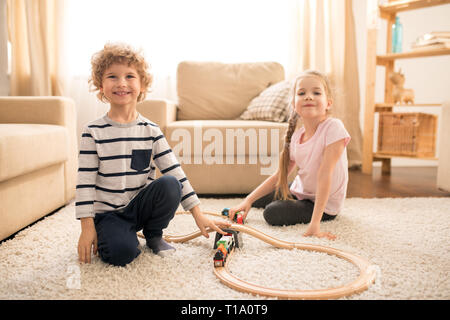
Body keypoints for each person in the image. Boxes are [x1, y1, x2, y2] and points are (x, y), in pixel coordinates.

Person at [76, 43, 229, 266]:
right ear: (101, 85)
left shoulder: (151, 130)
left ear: (142, 85)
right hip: (109, 214)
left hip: (140, 206)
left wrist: (198, 213)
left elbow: (175, 172)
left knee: (169, 183)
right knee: (120, 254)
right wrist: (87, 227)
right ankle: (119, 235)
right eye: (112, 77)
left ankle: (153, 234)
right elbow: (85, 183)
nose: (121, 83)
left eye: (130, 76)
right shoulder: (93, 132)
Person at [229, 70, 350, 240]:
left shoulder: (334, 128)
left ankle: (309, 212)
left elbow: (325, 174)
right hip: (303, 189)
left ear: (328, 103)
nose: (309, 97)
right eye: (302, 93)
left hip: (324, 203)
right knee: (257, 200)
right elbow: (280, 175)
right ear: (294, 104)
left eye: (316, 92)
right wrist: (247, 200)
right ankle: (254, 200)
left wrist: (315, 224)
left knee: (272, 212)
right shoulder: (296, 136)